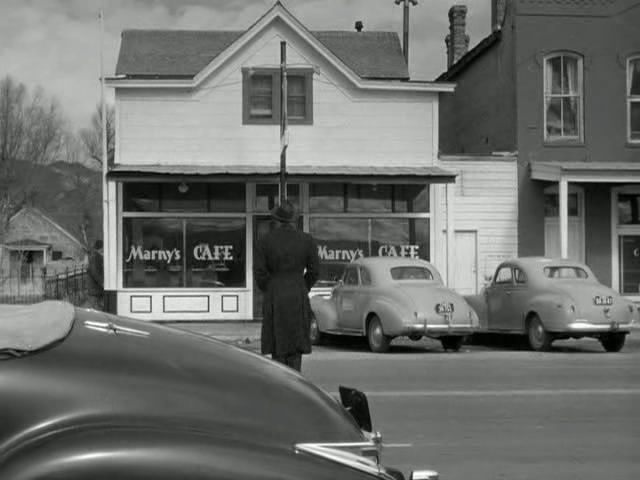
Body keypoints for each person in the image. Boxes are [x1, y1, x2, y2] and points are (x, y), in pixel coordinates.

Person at [253, 200, 320, 372]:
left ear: (276, 219)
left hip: (275, 293)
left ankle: (281, 384)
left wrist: (271, 287)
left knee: (278, 345)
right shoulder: (307, 240)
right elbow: (314, 271)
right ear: (294, 220)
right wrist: (302, 286)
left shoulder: (265, 241)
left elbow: (259, 273)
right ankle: (295, 384)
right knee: (296, 345)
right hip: (298, 292)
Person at [86, 239, 104, 310]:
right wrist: (102, 282)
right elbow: (95, 272)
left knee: (97, 309)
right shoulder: (95, 257)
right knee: (96, 311)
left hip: (95, 289)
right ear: (101, 248)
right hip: (95, 290)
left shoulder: (96, 256)